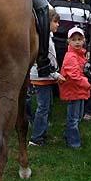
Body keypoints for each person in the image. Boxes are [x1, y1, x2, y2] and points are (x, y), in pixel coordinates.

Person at [59, 27, 91, 149]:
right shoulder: (71, 56)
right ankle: (74, 143)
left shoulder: (80, 55)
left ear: (84, 40)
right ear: (68, 41)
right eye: (74, 39)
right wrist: (89, 85)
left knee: (77, 117)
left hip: (79, 91)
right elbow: (74, 76)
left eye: (79, 39)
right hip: (73, 91)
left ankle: (68, 135)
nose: (77, 42)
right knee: (74, 119)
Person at [29, 9, 62, 146]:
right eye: (55, 22)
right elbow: (44, 61)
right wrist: (56, 74)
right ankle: (36, 138)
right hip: (41, 77)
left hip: (47, 78)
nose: (58, 25)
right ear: (46, 23)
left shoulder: (48, 38)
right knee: (43, 107)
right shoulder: (43, 40)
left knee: (47, 106)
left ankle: (43, 133)